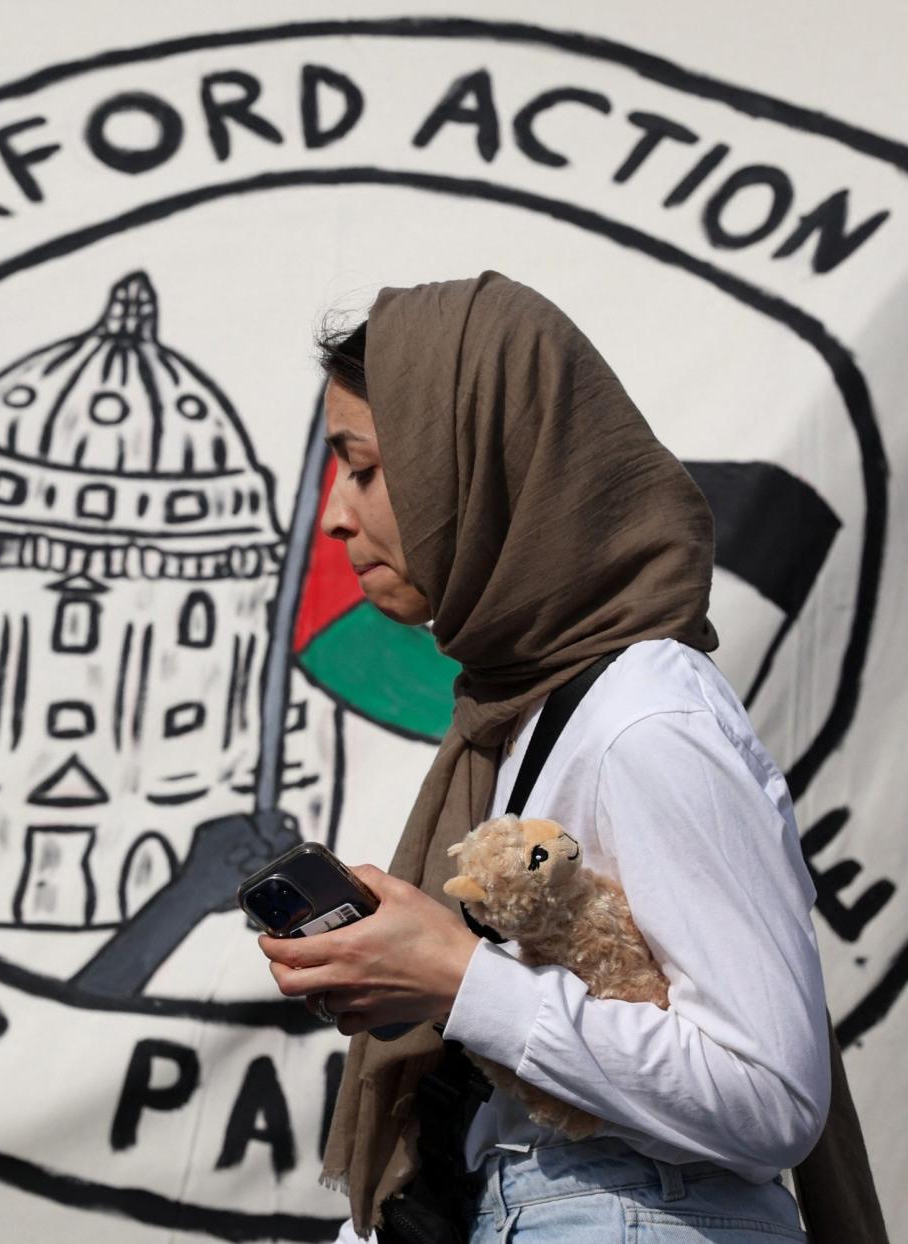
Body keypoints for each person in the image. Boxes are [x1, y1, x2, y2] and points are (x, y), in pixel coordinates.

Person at [258, 273, 885, 1242]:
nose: (336, 516)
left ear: (470, 462)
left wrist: (460, 979)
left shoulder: (645, 720)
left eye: (365, 468)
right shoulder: (531, 714)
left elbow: (770, 1089)